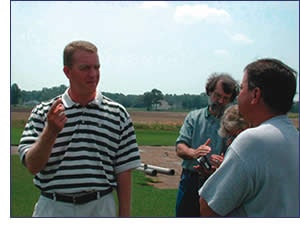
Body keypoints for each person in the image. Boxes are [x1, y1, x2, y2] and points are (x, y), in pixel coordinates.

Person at [18, 40, 141, 217]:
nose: (93, 74)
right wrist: (51, 131)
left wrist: (124, 218)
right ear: (67, 72)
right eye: (85, 68)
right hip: (53, 208)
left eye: (97, 67)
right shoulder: (44, 112)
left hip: (100, 208)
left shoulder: (117, 114)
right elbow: (32, 166)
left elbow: (124, 171)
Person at [199, 58, 299, 217]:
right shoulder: (294, 137)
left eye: (242, 87)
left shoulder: (252, 141)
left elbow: (209, 208)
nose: (238, 96)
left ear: (255, 94)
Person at [175, 73, 239, 217]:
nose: (221, 101)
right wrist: (194, 153)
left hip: (220, 182)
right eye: (217, 96)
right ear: (209, 92)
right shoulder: (194, 117)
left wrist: (223, 163)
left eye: (226, 98)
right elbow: (180, 147)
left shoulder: (235, 123)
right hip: (191, 180)